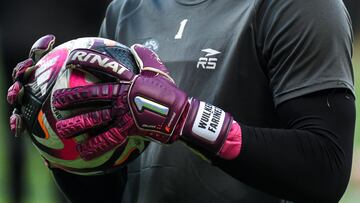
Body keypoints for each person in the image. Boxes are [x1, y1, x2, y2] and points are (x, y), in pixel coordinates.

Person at [7, 0, 356, 202]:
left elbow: (324, 170)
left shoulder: (300, 6)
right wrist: (55, 132)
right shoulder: (127, 9)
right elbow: (113, 193)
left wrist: (188, 120)